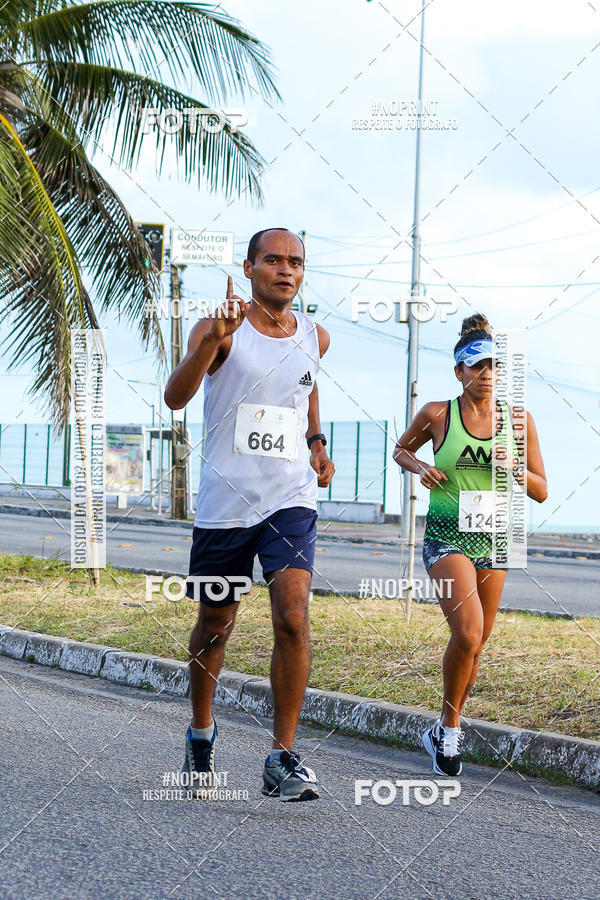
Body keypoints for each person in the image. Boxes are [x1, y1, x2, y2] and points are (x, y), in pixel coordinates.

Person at [164, 227, 335, 801]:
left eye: (296, 262)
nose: (285, 270)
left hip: (289, 498)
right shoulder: (219, 329)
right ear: (250, 265)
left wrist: (316, 442)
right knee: (217, 624)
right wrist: (210, 343)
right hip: (225, 502)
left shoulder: (316, 335)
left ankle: (282, 756)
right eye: (273, 260)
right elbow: (175, 397)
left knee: (292, 614)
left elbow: (305, 391)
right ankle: (201, 733)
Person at [393, 314, 547, 776]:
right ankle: (453, 729)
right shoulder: (438, 414)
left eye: (493, 367)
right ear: (459, 372)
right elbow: (402, 450)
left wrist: (515, 468)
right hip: (447, 536)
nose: (486, 375)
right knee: (467, 632)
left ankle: (442, 727)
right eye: (476, 367)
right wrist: (421, 469)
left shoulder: (518, 420)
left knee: (477, 642)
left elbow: (541, 489)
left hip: (496, 538)